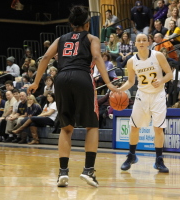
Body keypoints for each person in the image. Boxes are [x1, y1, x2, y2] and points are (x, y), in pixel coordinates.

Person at [27, 5, 117, 188]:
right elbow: (98, 58)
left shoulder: (61, 39)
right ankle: (88, 170)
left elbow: (45, 58)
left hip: (61, 79)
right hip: (82, 77)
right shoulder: (92, 38)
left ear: (70, 24)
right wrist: (108, 83)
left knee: (66, 128)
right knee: (92, 126)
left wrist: (36, 82)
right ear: (87, 24)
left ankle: (63, 173)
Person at [117, 33, 173, 172]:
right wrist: (118, 90)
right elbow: (131, 82)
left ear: (148, 42)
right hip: (142, 96)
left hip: (158, 95)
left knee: (158, 129)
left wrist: (161, 81)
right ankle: (131, 156)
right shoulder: (131, 61)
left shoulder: (157, 55)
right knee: (134, 127)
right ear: (135, 44)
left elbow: (169, 74)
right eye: (138, 40)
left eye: (144, 40)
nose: (141, 42)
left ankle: (159, 160)